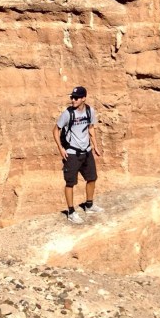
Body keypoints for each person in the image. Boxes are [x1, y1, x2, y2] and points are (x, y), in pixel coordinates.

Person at [53, 86, 103, 223]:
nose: (73, 100)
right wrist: (61, 149)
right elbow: (56, 130)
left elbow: (91, 128)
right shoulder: (67, 114)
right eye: (72, 97)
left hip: (86, 151)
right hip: (72, 153)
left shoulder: (89, 111)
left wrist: (95, 146)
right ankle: (71, 212)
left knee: (92, 178)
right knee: (70, 183)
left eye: (76, 98)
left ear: (83, 98)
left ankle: (89, 205)